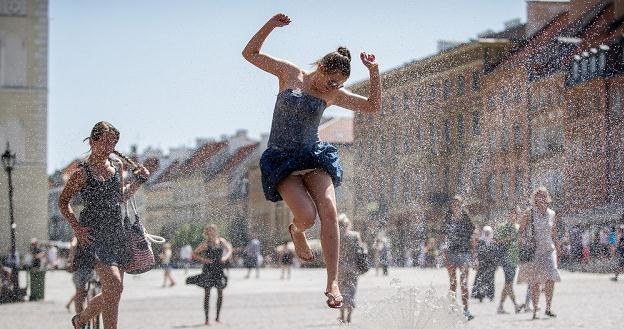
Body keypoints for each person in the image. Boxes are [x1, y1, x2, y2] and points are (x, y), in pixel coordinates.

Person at [242, 13, 381, 308]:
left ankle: (332, 281)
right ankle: (296, 231)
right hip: (282, 160)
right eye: (329, 80)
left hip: (313, 156)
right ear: (319, 67)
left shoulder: (333, 94)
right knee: (307, 217)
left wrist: (374, 71)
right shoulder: (290, 74)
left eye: (338, 84)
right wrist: (271, 26)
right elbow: (249, 53)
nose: (331, 87)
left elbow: (372, 105)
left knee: (329, 209)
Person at [59, 121, 150, 329]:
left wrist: (138, 182)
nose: (110, 145)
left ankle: (81, 320)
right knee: (115, 286)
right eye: (106, 141)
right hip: (94, 235)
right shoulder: (82, 172)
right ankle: (81, 319)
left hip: (117, 232)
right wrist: (77, 228)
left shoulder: (117, 166)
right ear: (92, 142)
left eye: (114, 142)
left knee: (114, 293)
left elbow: (120, 197)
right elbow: (63, 202)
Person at [517, 186, 561, 320]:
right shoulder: (529, 213)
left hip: (549, 250)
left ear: (547, 198)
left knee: (551, 277)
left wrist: (558, 248)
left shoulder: (552, 213)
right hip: (534, 251)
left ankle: (548, 308)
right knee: (535, 282)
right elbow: (520, 231)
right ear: (535, 198)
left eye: (544, 195)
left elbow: (553, 233)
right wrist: (523, 242)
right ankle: (535, 308)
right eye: (539, 195)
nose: (541, 198)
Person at [188, 224, 233, 326]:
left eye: (213, 230)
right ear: (207, 233)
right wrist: (204, 260)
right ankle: (207, 319)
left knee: (220, 293)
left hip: (219, 270)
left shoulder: (222, 241)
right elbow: (193, 254)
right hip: (208, 270)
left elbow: (230, 249)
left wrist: (225, 258)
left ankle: (217, 318)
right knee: (207, 294)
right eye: (209, 231)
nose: (211, 232)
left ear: (216, 231)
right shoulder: (205, 244)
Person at [440, 195, 475, 320]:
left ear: (462, 205)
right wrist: (444, 253)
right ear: (451, 206)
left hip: (464, 253)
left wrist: (474, 254)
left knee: (464, 283)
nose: (456, 206)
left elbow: (473, 235)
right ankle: (453, 308)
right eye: (454, 204)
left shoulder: (467, 218)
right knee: (453, 283)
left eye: (458, 204)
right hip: (450, 254)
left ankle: (466, 309)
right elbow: (443, 237)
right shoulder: (447, 219)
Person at [337, 214, 365, 324]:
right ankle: (349, 316)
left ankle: (342, 315)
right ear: (348, 224)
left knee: (340, 291)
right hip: (353, 267)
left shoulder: (336, 236)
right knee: (352, 291)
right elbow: (362, 250)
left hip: (340, 268)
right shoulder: (355, 235)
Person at [496, 207, 521, 314]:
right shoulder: (503, 227)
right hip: (506, 258)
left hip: (515, 259)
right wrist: (508, 239)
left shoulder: (518, 227)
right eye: (512, 213)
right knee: (509, 283)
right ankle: (516, 305)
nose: (513, 215)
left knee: (508, 284)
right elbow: (496, 241)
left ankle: (501, 307)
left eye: (515, 213)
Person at [65, 236, 95, 314]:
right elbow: (73, 245)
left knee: (80, 294)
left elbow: (73, 245)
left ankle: (79, 319)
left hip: (79, 269)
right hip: (89, 268)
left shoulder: (78, 235)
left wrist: (70, 260)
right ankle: (84, 316)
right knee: (84, 293)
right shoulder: (93, 235)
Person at [471, 226, 497, 303]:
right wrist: (476, 262)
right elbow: (477, 253)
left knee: (490, 280)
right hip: (482, 263)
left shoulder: (493, 241)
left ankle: (490, 295)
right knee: (480, 280)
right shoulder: (480, 241)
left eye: (488, 232)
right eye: (486, 232)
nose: (487, 234)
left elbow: (495, 254)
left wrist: (496, 263)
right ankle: (479, 295)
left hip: (491, 264)